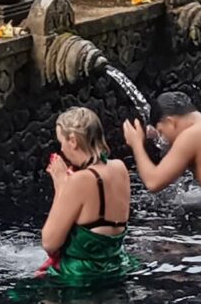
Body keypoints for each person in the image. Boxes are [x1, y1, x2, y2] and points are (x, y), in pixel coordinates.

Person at [39, 107, 134, 287]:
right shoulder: (120, 168)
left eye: (62, 142)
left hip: (80, 277)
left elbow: (49, 242)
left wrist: (60, 185)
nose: (62, 148)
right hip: (115, 267)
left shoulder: (80, 180)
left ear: (73, 141)